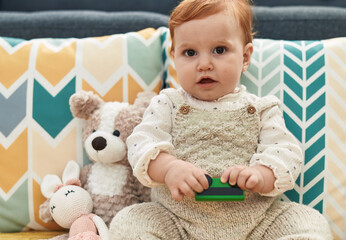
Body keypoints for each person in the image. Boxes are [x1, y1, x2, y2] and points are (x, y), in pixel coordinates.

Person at [109, 0, 332, 239]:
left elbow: (286, 152)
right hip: (177, 220)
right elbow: (141, 144)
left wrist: (261, 174)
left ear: (245, 57)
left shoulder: (262, 109)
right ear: (175, 58)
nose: (204, 64)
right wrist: (169, 168)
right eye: (190, 53)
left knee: (310, 224)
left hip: (258, 223)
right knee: (128, 222)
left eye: (219, 50)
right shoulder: (167, 104)